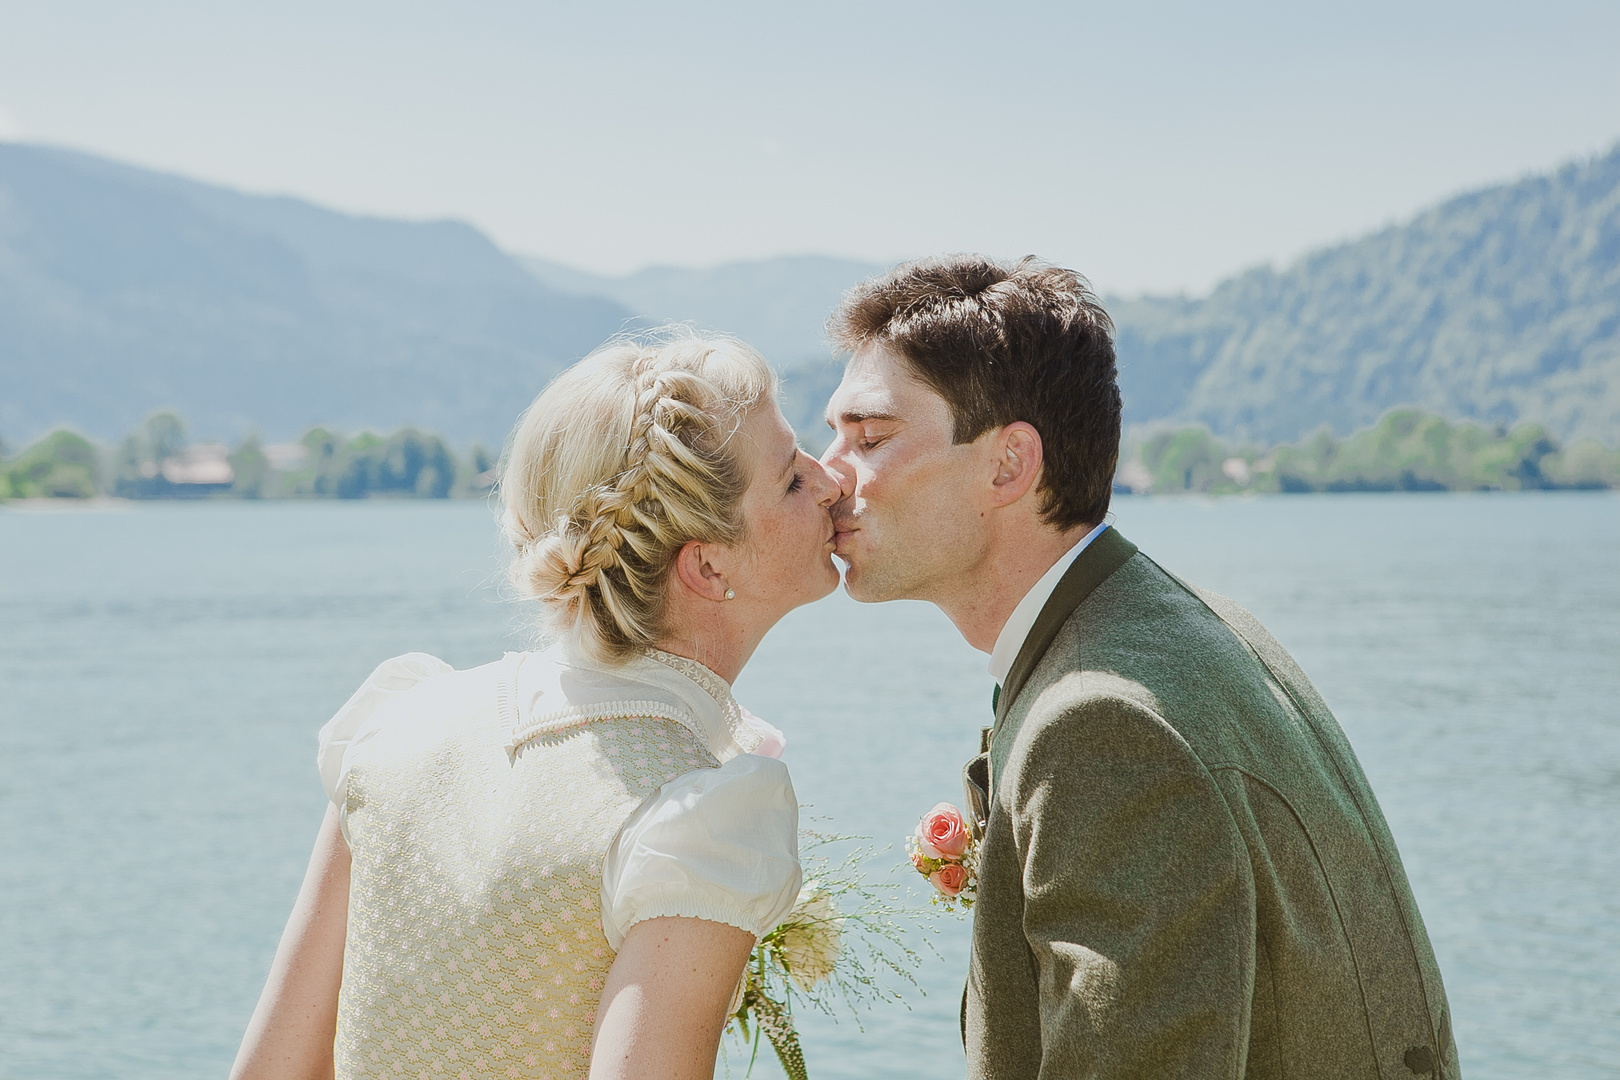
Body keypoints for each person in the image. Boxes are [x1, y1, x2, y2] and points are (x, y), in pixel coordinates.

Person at [820, 256, 1459, 1079]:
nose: (827, 472)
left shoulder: (1100, 724)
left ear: (1008, 465)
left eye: (869, 437)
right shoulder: (1193, 624)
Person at [231, 331, 843, 1080]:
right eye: (790, 479)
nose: (831, 480)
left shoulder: (396, 727)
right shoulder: (701, 815)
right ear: (708, 565)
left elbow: (269, 1071)